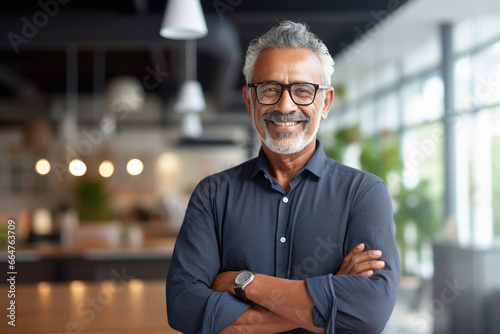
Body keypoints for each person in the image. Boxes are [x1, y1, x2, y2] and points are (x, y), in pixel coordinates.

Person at [166, 20, 400, 333]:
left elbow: (369, 314)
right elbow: (183, 307)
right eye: (269, 90)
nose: (285, 105)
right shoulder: (213, 194)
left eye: (303, 91)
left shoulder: (364, 193)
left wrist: (245, 283)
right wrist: (328, 303)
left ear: (325, 102)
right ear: (250, 101)